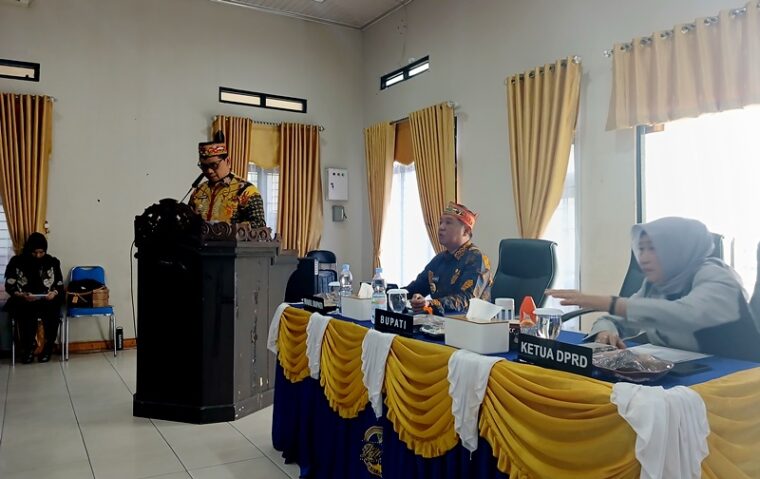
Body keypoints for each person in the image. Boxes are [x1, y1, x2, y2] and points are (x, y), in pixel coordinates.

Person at [548, 217, 760, 361]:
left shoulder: (718, 277)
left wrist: (609, 302)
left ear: (677, 249)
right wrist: (606, 331)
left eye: (653, 248)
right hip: (681, 377)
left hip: (739, 378)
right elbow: (618, 320)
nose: (644, 258)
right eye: (641, 249)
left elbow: (686, 314)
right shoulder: (656, 284)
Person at [406, 202, 492, 316]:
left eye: (448, 222)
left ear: (466, 231)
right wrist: (389, 293)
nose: (441, 227)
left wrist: (430, 304)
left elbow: (467, 300)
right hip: (438, 322)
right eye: (441, 222)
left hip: (468, 323)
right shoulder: (439, 260)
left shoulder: (476, 259)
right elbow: (415, 289)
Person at [4, 232, 64, 363]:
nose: (38, 256)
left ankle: (48, 348)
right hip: (25, 300)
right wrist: (21, 294)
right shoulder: (17, 262)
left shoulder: (52, 262)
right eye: (34, 252)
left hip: (47, 300)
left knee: (53, 310)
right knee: (25, 312)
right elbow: (10, 285)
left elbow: (59, 284)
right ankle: (28, 349)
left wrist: (53, 293)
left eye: (41, 252)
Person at [189, 131, 266, 226]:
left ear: (228, 161)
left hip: (231, 236)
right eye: (204, 166)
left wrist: (229, 229)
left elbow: (259, 225)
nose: (209, 171)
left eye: (214, 165)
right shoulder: (198, 190)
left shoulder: (246, 191)